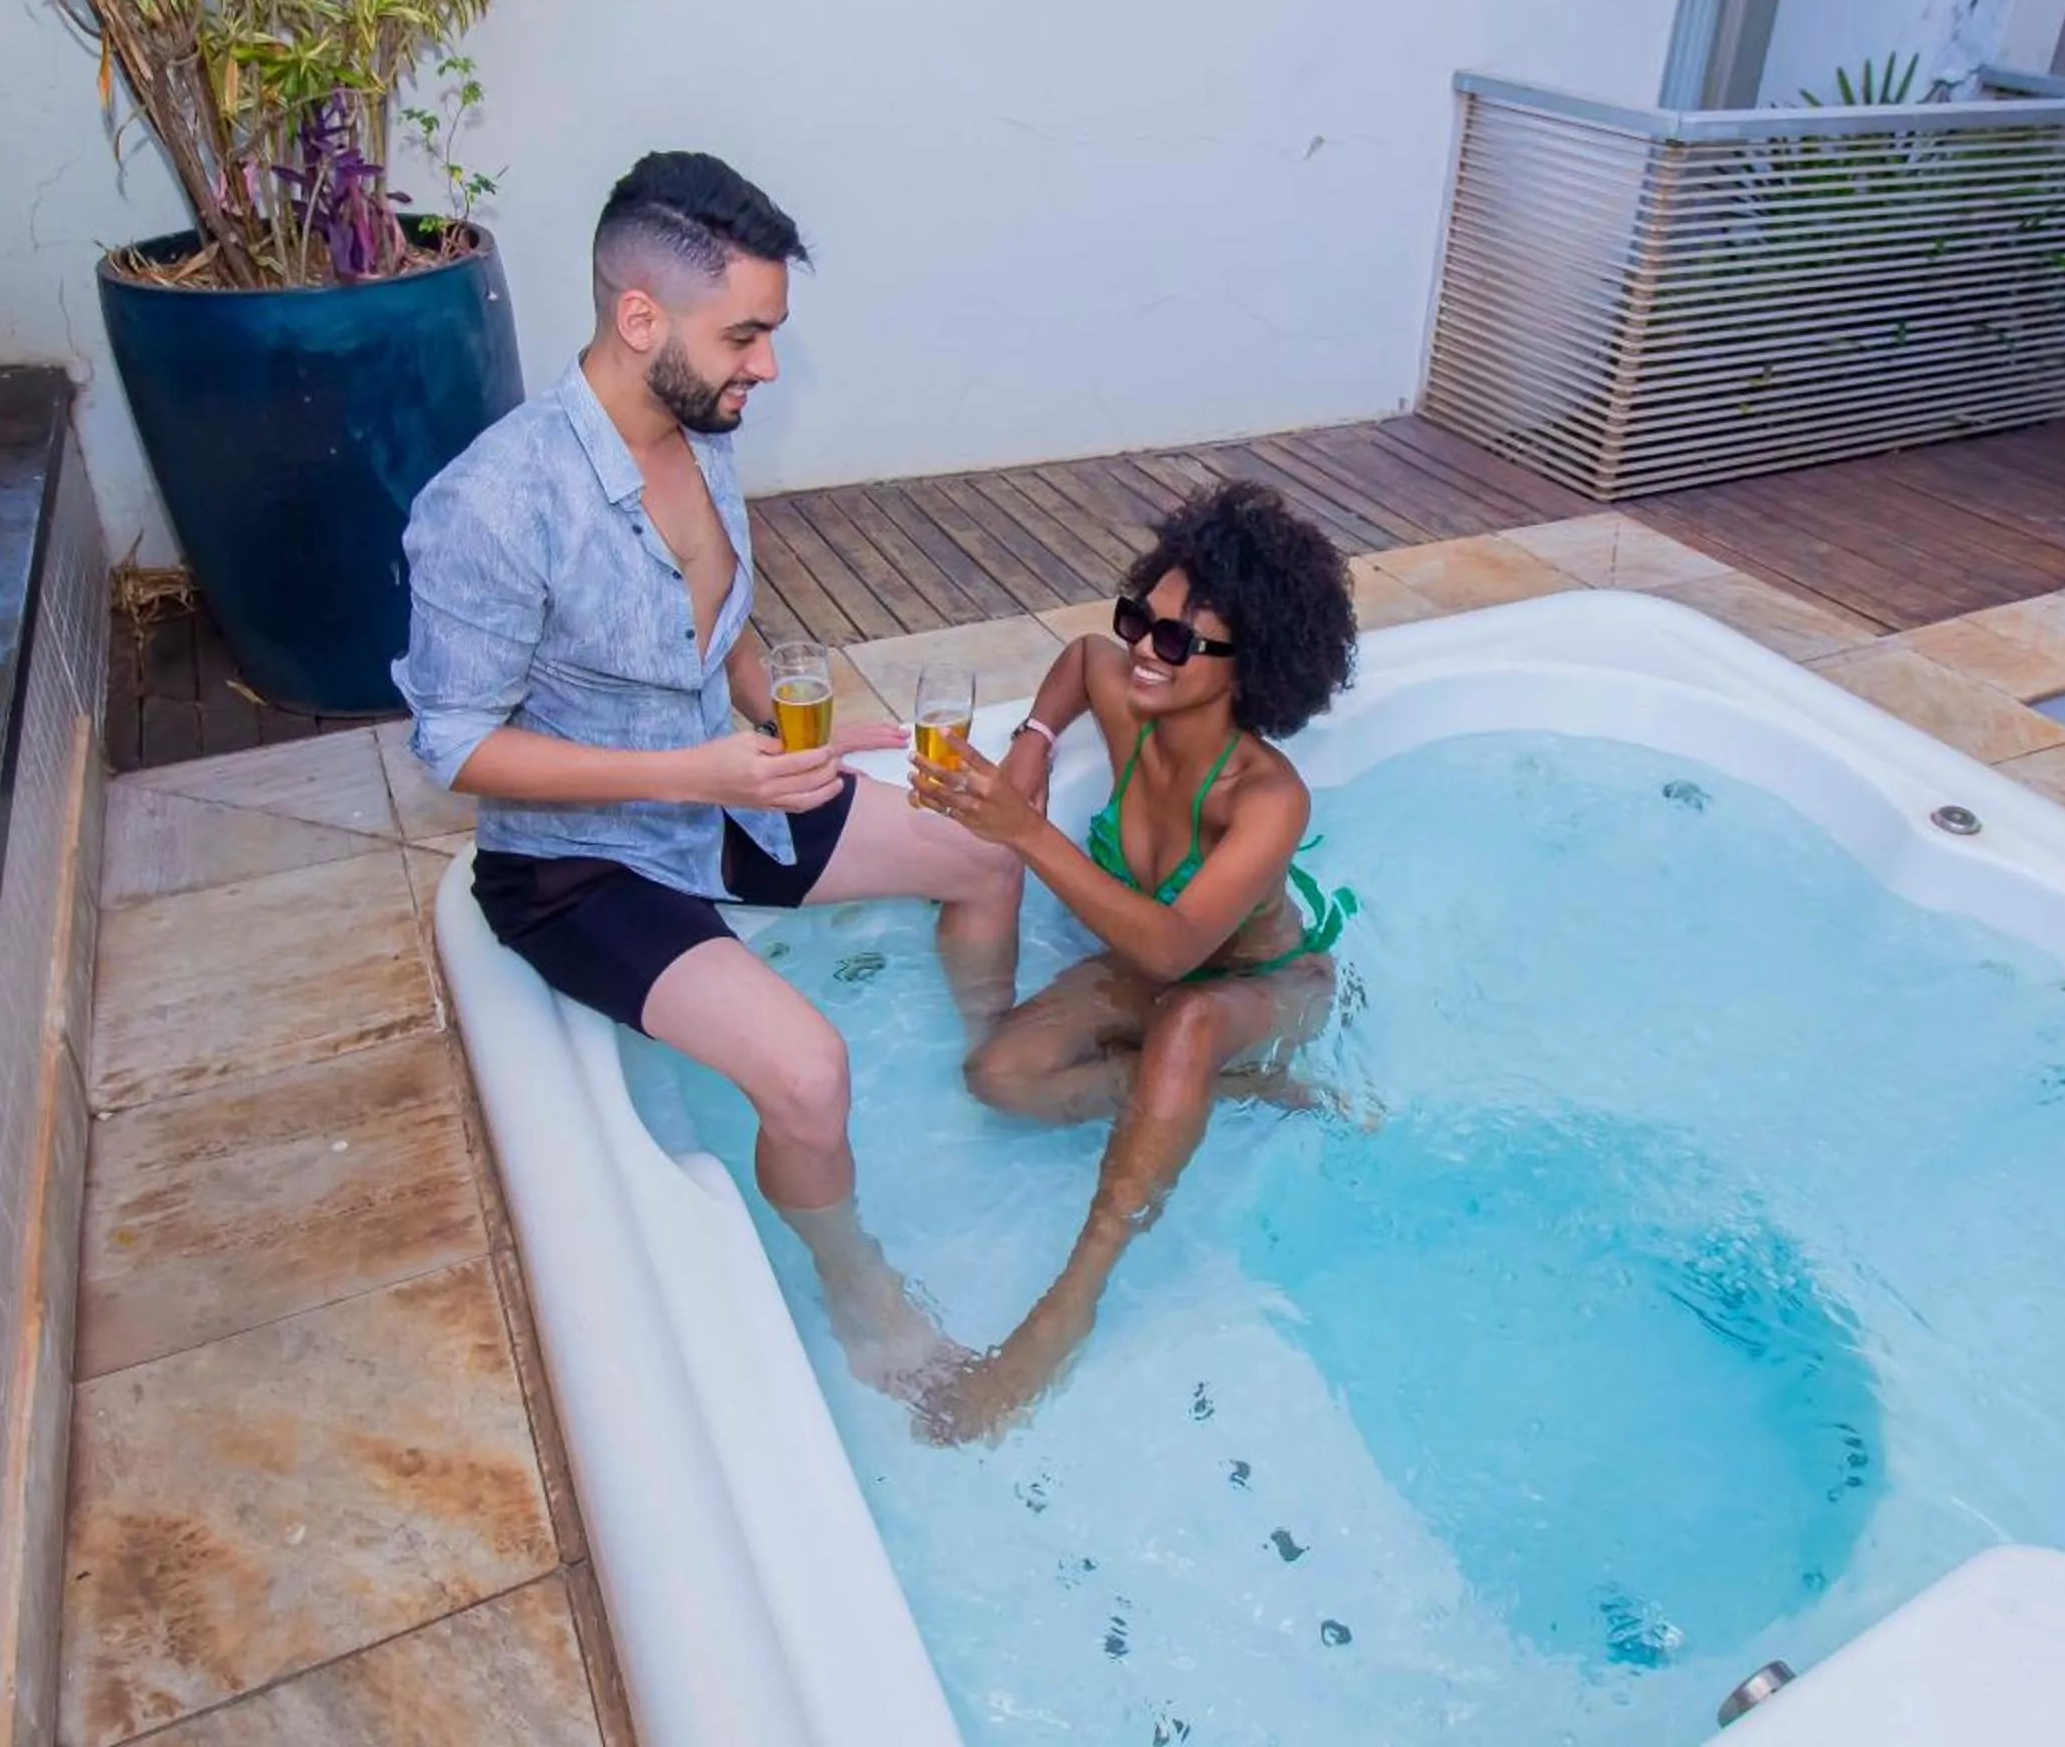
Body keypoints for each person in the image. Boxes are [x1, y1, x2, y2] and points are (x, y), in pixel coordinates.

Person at [395, 152, 1018, 1395]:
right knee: (809, 1069)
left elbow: (714, 616)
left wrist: (789, 732)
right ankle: (858, 1288)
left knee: (987, 848)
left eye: (771, 334)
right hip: (579, 863)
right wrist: (697, 773)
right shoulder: (493, 505)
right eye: (746, 334)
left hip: (726, 784)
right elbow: (454, 744)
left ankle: (991, 1063)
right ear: (641, 319)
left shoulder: (701, 423)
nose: (767, 366)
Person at [908, 482, 1361, 1443]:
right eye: (1139, 620)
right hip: (1158, 970)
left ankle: (1068, 1305)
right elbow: (1077, 660)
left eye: (1178, 641)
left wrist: (1023, 830)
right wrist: (1033, 740)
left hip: (1262, 985)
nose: (1143, 652)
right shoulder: (1127, 695)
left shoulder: (1266, 798)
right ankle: (1232, 1090)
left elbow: (1174, 946)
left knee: (1191, 1022)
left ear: (1256, 664)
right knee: (998, 1075)